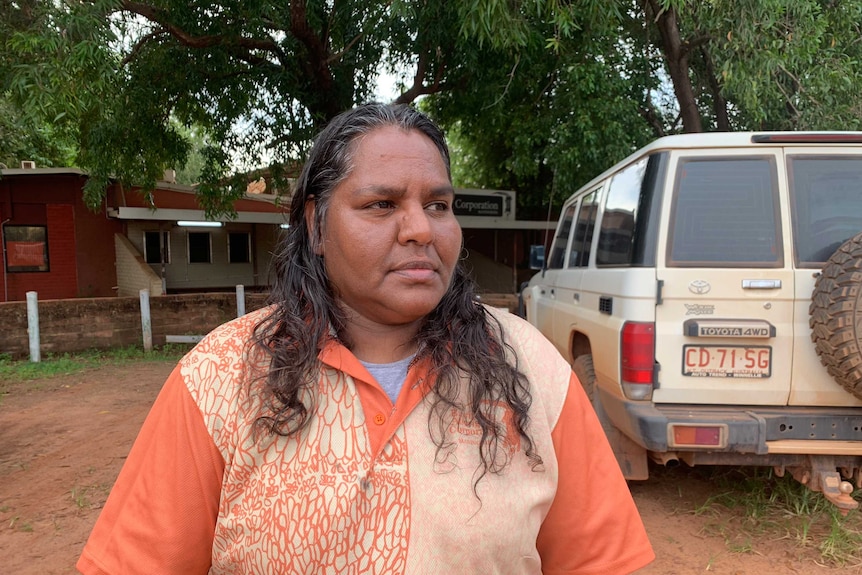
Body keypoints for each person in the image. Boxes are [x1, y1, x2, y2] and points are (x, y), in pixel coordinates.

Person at [77, 103, 655, 574]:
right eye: (382, 204)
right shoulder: (222, 376)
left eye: (439, 205)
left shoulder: (531, 370)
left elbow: (602, 562)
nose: (421, 229)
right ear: (316, 224)